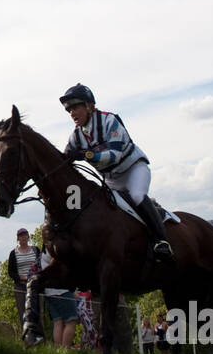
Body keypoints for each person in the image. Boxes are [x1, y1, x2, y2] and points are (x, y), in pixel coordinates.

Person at [58, 83, 174, 264]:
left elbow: (114, 155)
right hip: (111, 179)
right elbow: (63, 161)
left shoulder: (109, 121)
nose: (72, 113)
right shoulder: (76, 136)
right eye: (69, 110)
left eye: (75, 107)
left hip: (133, 169)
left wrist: (86, 154)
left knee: (136, 195)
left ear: (89, 106)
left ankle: (161, 240)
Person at [5, 228, 45, 342]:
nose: (23, 237)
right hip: (20, 286)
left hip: (35, 285)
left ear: (28, 237)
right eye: (21, 236)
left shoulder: (35, 250)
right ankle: (27, 339)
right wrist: (20, 277)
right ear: (18, 238)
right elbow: (11, 271)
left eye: (25, 235)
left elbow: (40, 265)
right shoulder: (14, 253)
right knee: (23, 312)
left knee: (37, 311)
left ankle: (40, 338)